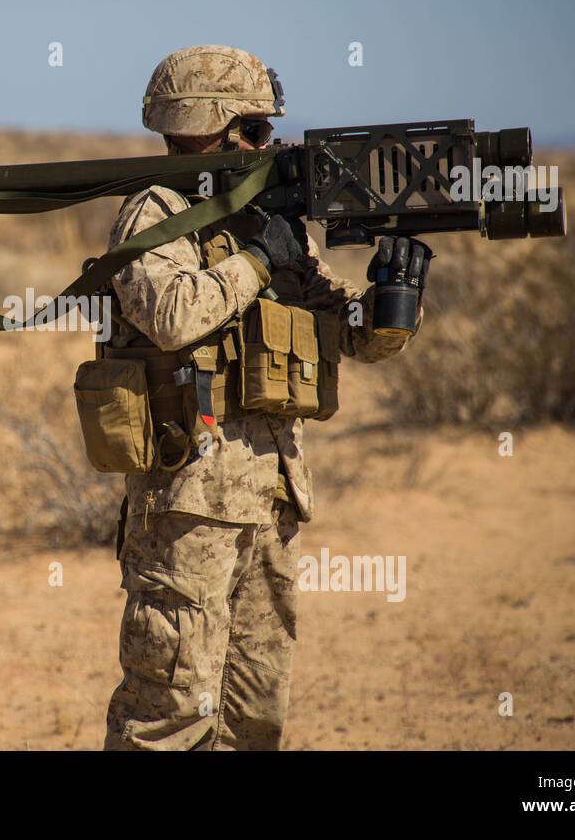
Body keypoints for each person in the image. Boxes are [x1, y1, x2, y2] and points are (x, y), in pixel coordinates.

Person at [100, 44, 429, 749]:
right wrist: (256, 261)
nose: (267, 143)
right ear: (202, 127)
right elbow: (171, 315)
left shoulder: (270, 220)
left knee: (254, 714)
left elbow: (348, 334)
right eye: (252, 128)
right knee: (170, 712)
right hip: (187, 504)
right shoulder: (152, 212)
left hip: (267, 498)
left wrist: (397, 299)